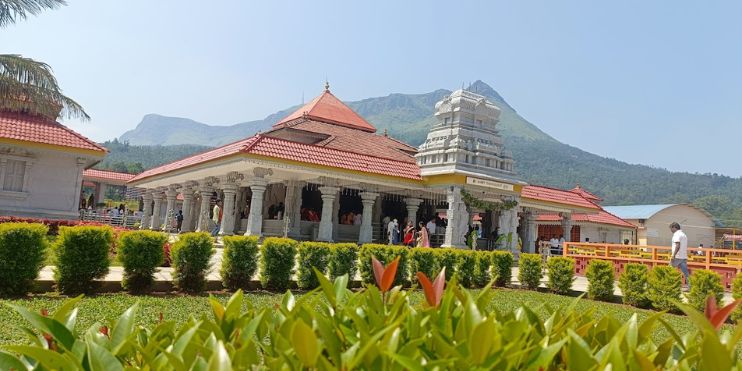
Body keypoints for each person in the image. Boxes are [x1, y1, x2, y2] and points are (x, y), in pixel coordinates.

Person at [669, 222, 690, 289]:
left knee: (668, 270)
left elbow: (678, 245)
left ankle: (669, 285)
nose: (671, 230)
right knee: (686, 273)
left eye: (671, 228)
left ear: (674, 227)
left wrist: (673, 255)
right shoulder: (684, 235)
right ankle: (690, 286)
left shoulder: (676, 235)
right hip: (683, 256)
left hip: (677, 256)